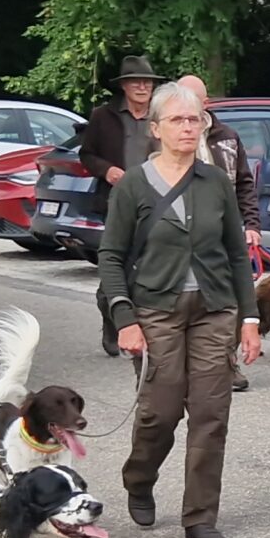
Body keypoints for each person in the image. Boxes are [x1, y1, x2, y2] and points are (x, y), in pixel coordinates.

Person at [98, 82, 263, 538]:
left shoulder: (215, 183)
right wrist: (125, 318)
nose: (188, 127)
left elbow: (235, 253)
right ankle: (139, 477)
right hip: (155, 309)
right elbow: (110, 257)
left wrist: (248, 319)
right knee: (160, 411)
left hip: (214, 308)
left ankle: (200, 516)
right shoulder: (134, 184)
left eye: (195, 120)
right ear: (156, 129)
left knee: (211, 413)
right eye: (177, 120)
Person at [176, 72, 262, 391]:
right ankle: (184, 361)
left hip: (223, 231)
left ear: (206, 104)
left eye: (192, 101)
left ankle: (227, 364)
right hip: (180, 231)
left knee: (229, 300)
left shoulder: (227, 136)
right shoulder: (167, 136)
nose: (185, 110)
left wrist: (252, 225)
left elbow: (243, 184)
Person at [82, 55, 162, 356]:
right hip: (116, 203)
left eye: (148, 82)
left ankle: (149, 326)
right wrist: (107, 170)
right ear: (124, 86)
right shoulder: (104, 116)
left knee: (151, 268)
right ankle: (111, 316)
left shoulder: (161, 115)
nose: (142, 87)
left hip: (157, 202)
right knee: (116, 265)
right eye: (136, 81)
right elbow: (86, 154)